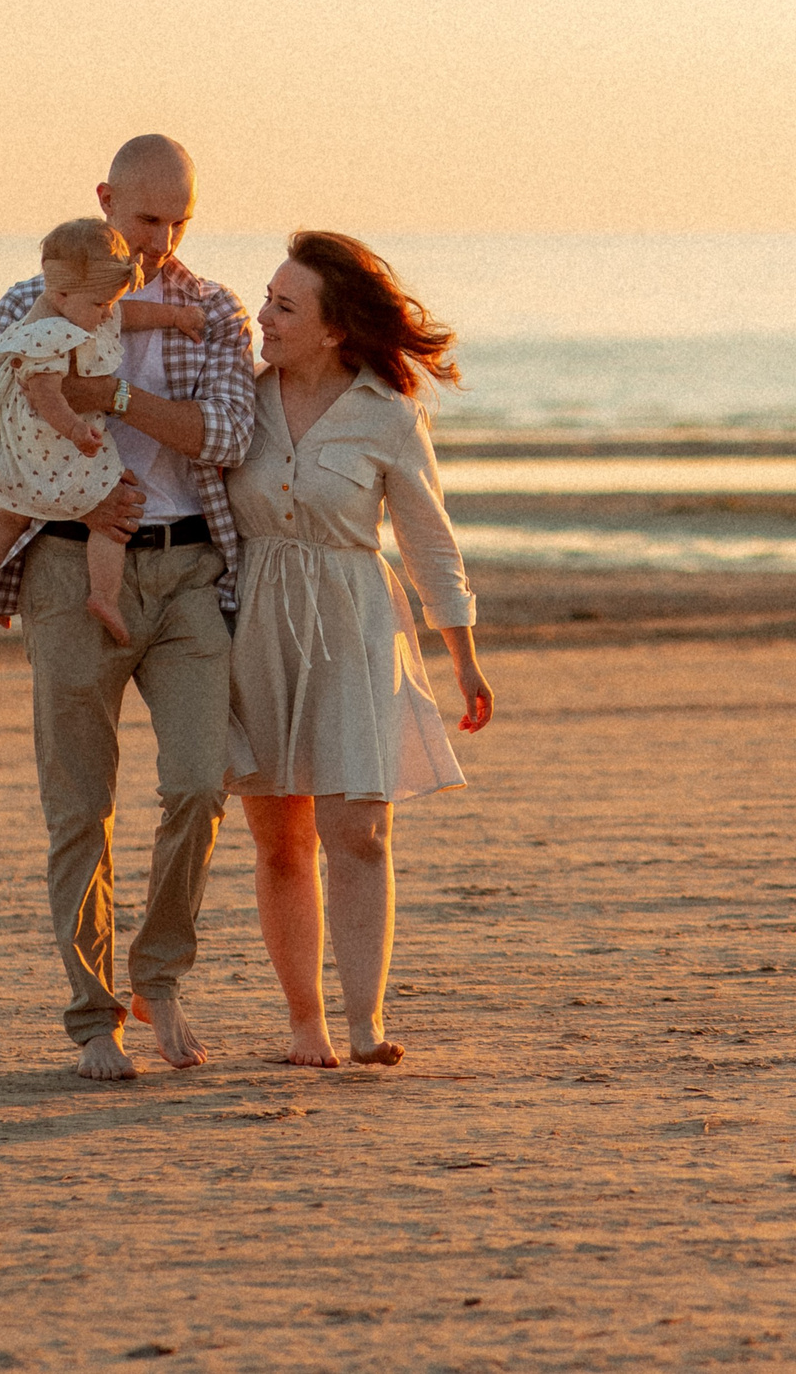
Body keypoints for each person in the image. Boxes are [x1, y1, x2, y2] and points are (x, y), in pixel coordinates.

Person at [0, 135, 256, 1080]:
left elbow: (228, 436)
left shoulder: (212, 308)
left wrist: (109, 394)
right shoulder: (30, 303)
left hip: (190, 571)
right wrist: (80, 499)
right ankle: (94, 1018)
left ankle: (158, 974)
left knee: (200, 783)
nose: (163, 240)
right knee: (80, 806)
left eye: (180, 222)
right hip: (66, 569)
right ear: (106, 201)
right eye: (147, 219)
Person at [225, 230, 495, 1069]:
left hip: (354, 625)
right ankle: (305, 1024)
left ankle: (365, 1022)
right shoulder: (238, 398)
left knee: (361, 832)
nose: (263, 317)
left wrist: (463, 655)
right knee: (281, 840)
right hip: (255, 625)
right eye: (266, 299)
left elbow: (428, 542)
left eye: (284, 306)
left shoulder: (388, 413)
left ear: (334, 328)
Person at [0, 218, 207, 646]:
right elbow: (46, 396)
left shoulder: (84, 305)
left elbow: (130, 314)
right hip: (51, 439)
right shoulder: (45, 334)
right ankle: (102, 596)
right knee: (108, 512)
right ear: (61, 295)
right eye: (101, 304)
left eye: (110, 302)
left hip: (46, 440)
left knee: (13, 511)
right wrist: (76, 431)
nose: (108, 313)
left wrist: (176, 316)